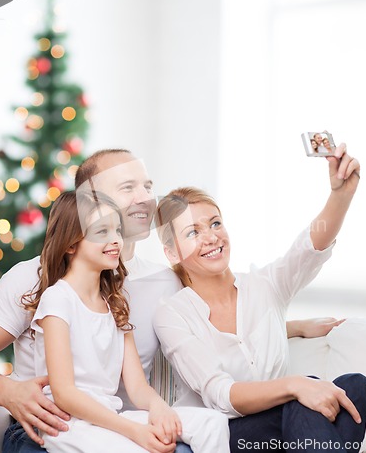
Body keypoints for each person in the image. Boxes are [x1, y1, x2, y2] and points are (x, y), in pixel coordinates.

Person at [0, 148, 341, 453]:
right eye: (128, 188)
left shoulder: (165, 281)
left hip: (125, 425)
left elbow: (210, 324)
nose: (146, 197)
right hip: (54, 431)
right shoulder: (38, 279)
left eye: (148, 186)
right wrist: (7, 391)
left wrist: (292, 327)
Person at [153, 144, 366, 453]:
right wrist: (295, 385)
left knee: (355, 386)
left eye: (215, 223)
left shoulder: (264, 287)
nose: (211, 237)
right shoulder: (172, 315)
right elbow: (221, 394)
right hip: (226, 436)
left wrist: (341, 195)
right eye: (193, 232)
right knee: (304, 395)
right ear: (172, 253)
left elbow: (309, 250)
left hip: (287, 430)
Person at [24, 190, 229, 452]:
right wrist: (135, 431)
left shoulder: (115, 303)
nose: (116, 241)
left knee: (212, 423)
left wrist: (159, 409)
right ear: (71, 244)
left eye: (117, 231)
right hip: (68, 424)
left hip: (110, 416)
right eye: (101, 232)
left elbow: (137, 387)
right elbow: (64, 394)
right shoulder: (57, 299)